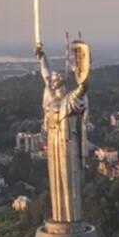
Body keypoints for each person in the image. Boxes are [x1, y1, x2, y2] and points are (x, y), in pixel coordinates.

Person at [34, 43, 88, 223]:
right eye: (54, 77)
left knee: (68, 177)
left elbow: (83, 89)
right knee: (55, 176)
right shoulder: (50, 98)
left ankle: (72, 218)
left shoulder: (69, 99)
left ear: (63, 83)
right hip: (53, 141)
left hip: (67, 142)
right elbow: (45, 75)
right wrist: (42, 56)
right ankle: (59, 216)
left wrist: (82, 69)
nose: (54, 78)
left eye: (58, 77)